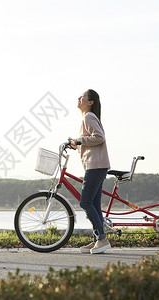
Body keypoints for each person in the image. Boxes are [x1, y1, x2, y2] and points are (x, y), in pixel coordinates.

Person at [71, 89, 111, 254]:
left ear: (90, 102)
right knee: (94, 203)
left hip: (96, 165)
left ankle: (102, 239)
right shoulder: (87, 117)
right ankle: (97, 240)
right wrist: (77, 143)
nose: (79, 98)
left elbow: (99, 137)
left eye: (82, 97)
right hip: (96, 165)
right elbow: (93, 139)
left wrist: (80, 140)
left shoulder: (88, 116)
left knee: (85, 202)